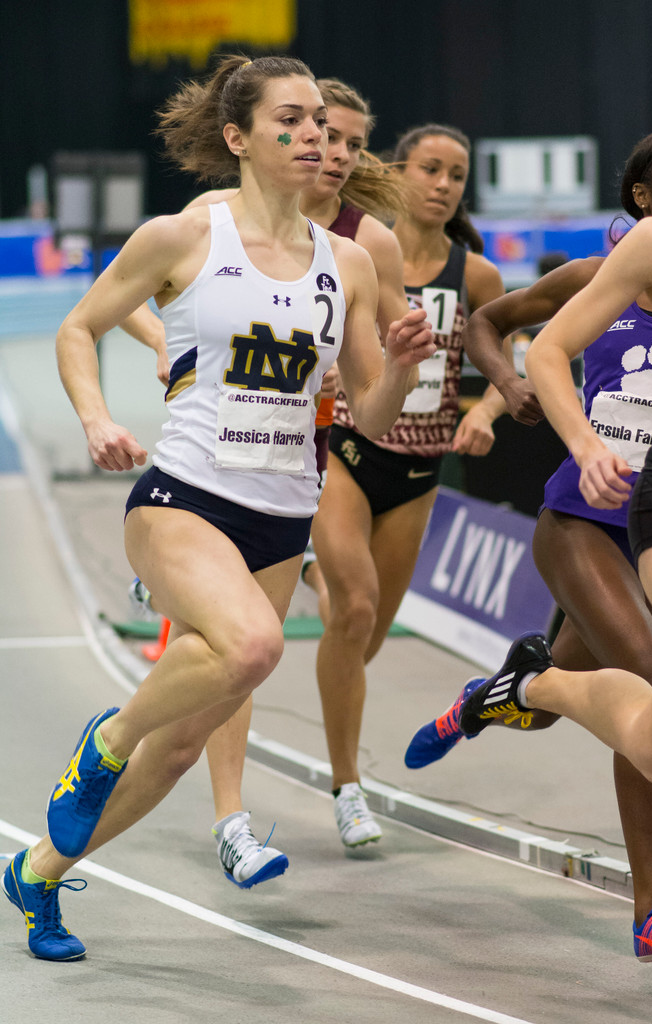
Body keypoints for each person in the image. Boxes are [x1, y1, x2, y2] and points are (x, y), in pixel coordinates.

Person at [1, 54, 436, 962]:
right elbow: (80, 325)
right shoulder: (186, 234)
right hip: (184, 496)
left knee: (180, 747)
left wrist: (398, 365)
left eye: (320, 119)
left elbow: (367, 413)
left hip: (281, 516)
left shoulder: (348, 262)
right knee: (253, 647)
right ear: (238, 139)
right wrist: (95, 418)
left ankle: (37, 874)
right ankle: (103, 741)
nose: (314, 133)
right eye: (291, 120)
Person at [404, 193, 652, 962]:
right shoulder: (602, 274)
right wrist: (508, 390)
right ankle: (649, 906)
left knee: (573, 699)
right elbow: (489, 323)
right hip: (585, 520)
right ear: (644, 201)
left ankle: (502, 691)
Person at [306, 122, 513, 849]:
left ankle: (307, 573)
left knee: (359, 637)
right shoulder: (361, 254)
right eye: (429, 168)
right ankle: (346, 786)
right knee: (356, 608)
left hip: (420, 474)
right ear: (397, 172)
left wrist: (486, 408)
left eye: (456, 174)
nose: (442, 185)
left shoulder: (476, 275)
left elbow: (512, 350)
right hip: (350, 451)